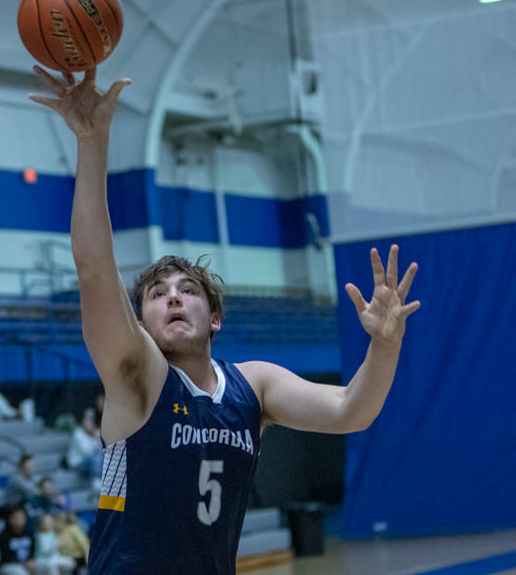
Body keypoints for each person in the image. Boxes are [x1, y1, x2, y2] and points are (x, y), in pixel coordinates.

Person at [30, 66, 422, 573]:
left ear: (214, 318)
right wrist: (91, 142)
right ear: (142, 321)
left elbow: (351, 410)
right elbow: (94, 268)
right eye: (157, 294)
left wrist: (384, 345)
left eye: (187, 291)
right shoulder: (140, 378)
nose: (173, 298)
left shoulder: (252, 386)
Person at [0, 506, 35, 575]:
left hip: (28, 563)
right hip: (10, 564)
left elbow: (33, 551)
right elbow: (6, 556)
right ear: (10, 519)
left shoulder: (29, 533)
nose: (19, 520)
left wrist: (31, 560)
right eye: (16, 517)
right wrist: (23, 564)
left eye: (21, 517)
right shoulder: (4, 536)